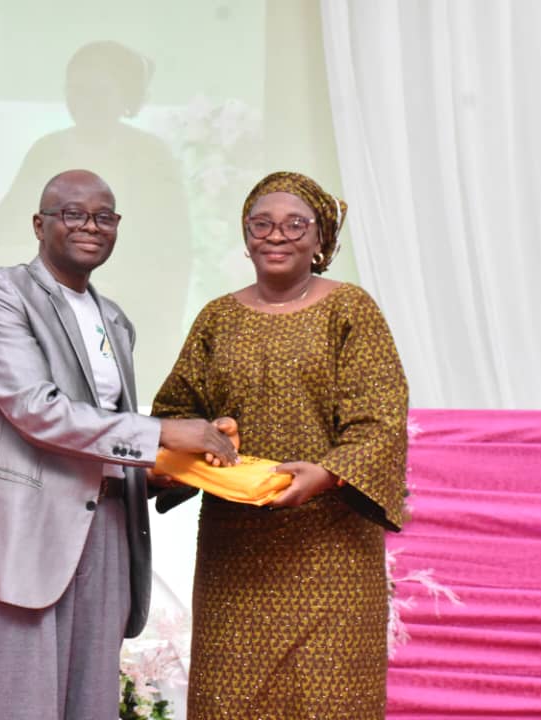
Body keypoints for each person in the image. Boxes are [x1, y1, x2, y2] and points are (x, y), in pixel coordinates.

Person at [0, 169, 238, 720]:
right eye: (73, 214)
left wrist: (171, 469)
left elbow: (103, 441)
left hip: (106, 534)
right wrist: (160, 431)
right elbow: (35, 409)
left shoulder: (114, 319)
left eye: (104, 217)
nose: (90, 226)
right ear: (39, 224)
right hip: (19, 537)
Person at [152, 171, 409, 719]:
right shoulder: (217, 318)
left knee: (329, 701)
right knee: (229, 702)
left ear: (320, 239)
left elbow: (381, 420)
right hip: (235, 552)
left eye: (295, 225)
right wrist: (196, 445)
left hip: (332, 554)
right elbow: (173, 414)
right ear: (245, 237)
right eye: (261, 224)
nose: (276, 235)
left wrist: (325, 473)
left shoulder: (350, 309)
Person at [0, 41, 192, 398]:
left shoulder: (152, 155)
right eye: (75, 90)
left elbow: (175, 248)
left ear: (124, 94)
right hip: (50, 318)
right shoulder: (47, 150)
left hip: (137, 314)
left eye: (97, 92)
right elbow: (2, 231)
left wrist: (135, 295)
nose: (84, 101)